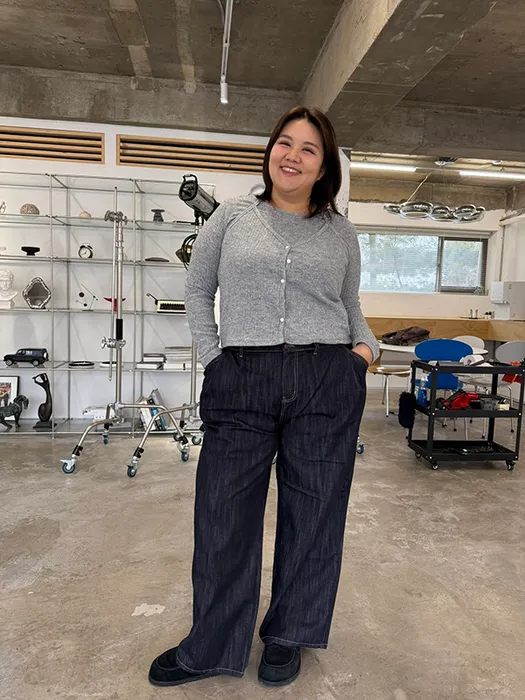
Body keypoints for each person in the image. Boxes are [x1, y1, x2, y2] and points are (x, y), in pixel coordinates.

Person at [148, 106, 380, 689]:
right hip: (242, 377)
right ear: (270, 151)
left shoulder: (341, 232)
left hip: (326, 378)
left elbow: (350, 304)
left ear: (324, 167)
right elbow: (197, 289)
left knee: (315, 513)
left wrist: (363, 353)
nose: (292, 156)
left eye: (308, 149)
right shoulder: (231, 216)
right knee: (223, 514)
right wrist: (213, 359)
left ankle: (288, 634)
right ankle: (211, 645)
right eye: (285, 143)